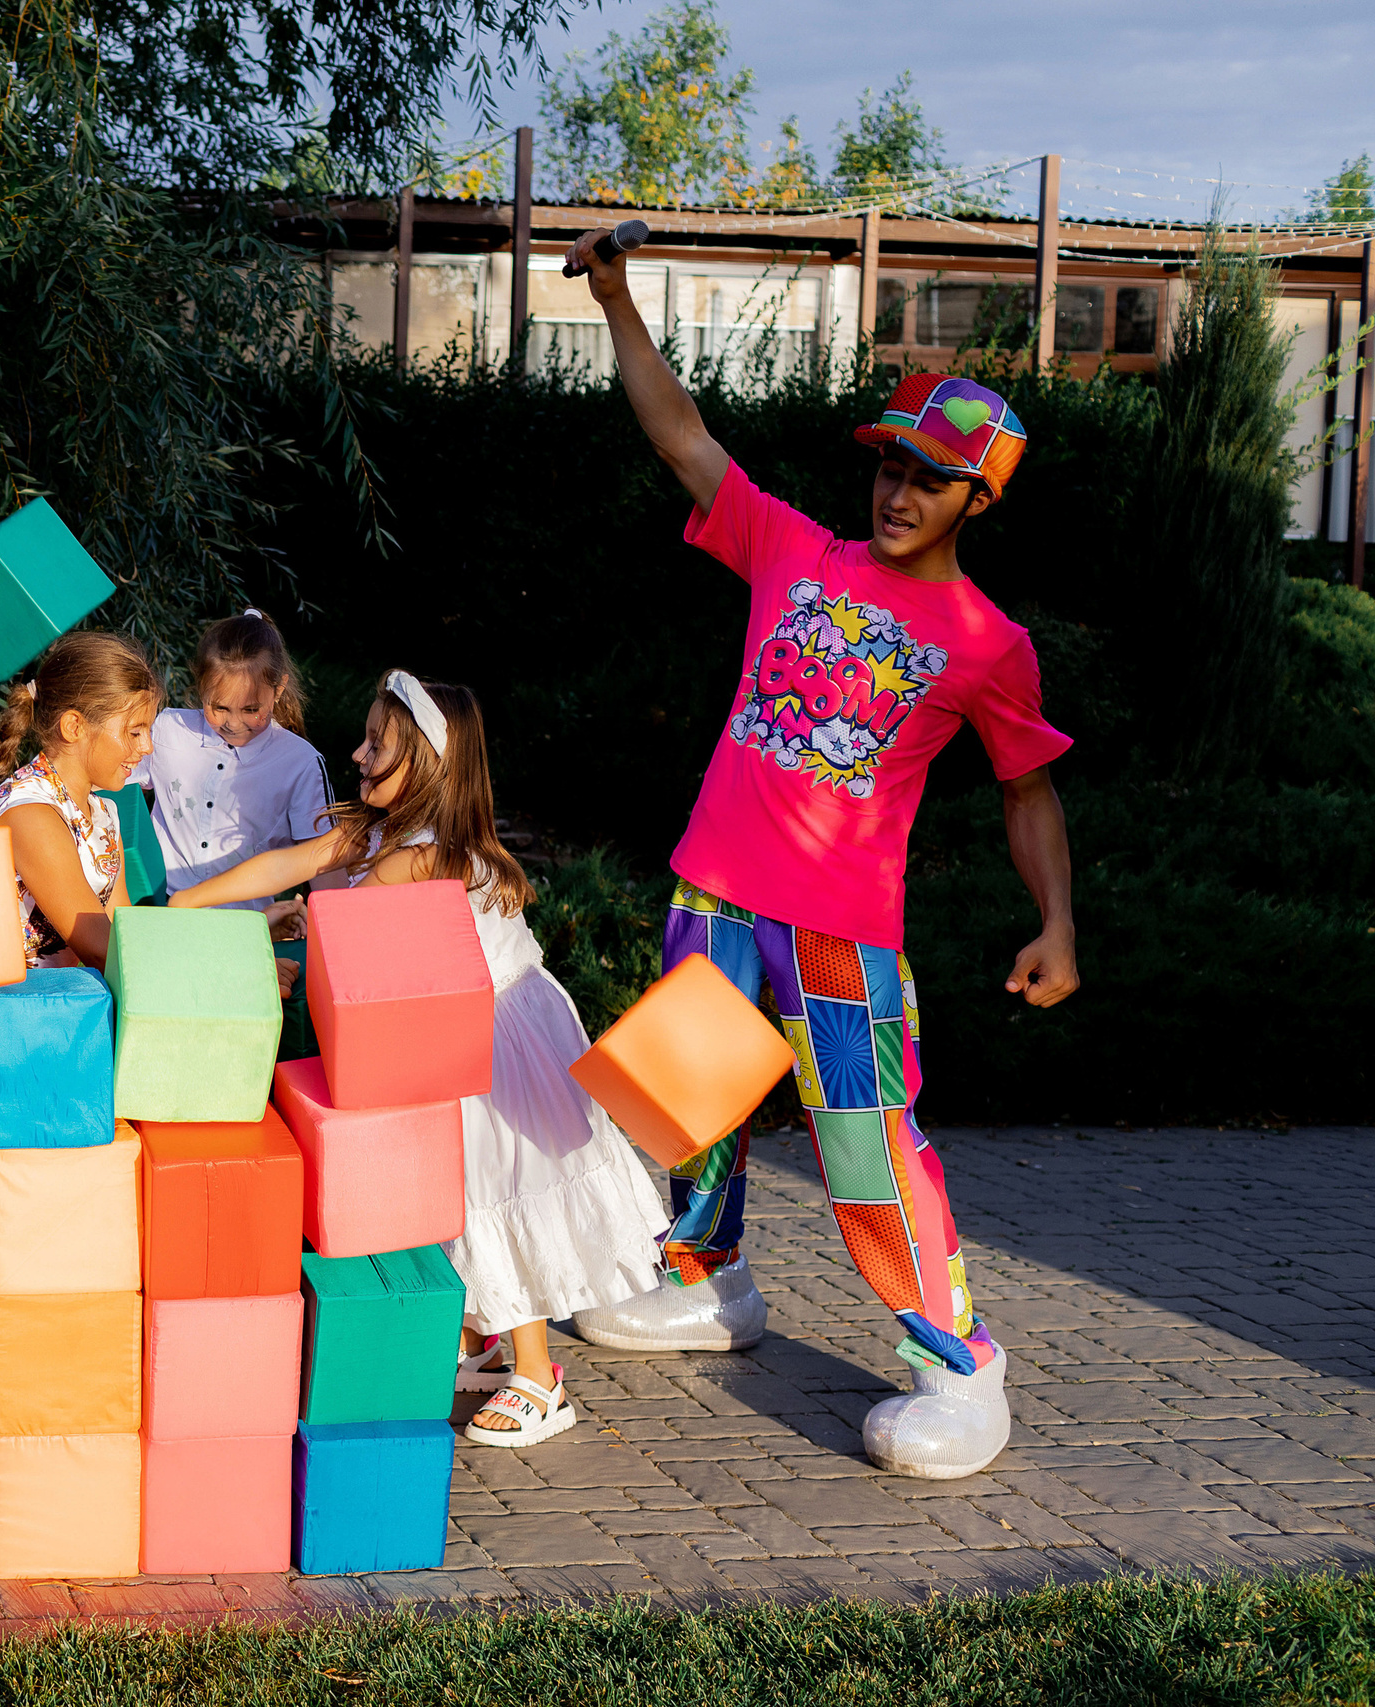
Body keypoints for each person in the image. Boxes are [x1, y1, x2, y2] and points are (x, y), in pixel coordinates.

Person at [558, 225, 1080, 1480]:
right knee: (694, 1110)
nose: (898, 493)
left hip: (842, 931)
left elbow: (1030, 792)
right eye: (888, 467)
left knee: (864, 1147)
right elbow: (682, 437)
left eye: (929, 479)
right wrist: (620, 300)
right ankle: (705, 1281)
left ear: (978, 497)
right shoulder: (795, 550)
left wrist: (1057, 922)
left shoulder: (985, 642)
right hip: (717, 896)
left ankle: (959, 1364)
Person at [171, 672, 667, 1449]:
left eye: (380, 745)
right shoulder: (374, 834)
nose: (359, 752)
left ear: (429, 768)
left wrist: (284, 934)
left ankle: (541, 1374)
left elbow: (340, 926)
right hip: (447, 1025)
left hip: (496, 1037)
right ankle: (483, 1340)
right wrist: (186, 903)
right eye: (366, 737)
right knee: (450, 1191)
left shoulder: (424, 855)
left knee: (494, 1190)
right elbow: (283, 867)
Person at [0, 631, 160, 968]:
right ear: (74, 727)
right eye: (134, 732)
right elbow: (101, 947)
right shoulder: (31, 815)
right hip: (8, 1012)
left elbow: (122, 931)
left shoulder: (103, 812)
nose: (147, 746)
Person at [133, 609, 331, 912]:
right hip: (157, 910)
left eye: (251, 710)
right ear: (200, 687)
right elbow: (113, 790)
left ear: (278, 690)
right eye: (220, 707)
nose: (233, 723)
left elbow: (322, 863)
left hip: (243, 926)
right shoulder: (167, 730)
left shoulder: (301, 764)